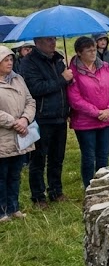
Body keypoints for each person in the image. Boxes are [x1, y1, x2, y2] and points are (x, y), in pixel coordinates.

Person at [20, 36, 72, 208]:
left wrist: (69, 80)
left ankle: (56, 191)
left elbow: (63, 86)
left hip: (60, 115)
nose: (53, 42)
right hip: (42, 117)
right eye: (48, 40)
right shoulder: (29, 63)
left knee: (57, 157)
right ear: (37, 43)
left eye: (54, 39)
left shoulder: (58, 60)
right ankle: (38, 196)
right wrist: (62, 79)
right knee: (39, 159)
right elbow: (35, 89)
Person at [67, 36, 109, 188]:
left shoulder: (105, 67)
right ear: (79, 53)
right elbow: (75, 99)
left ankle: (103, 185)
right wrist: (97, 112)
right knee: (89, 157)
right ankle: (89, 186)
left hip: (106, 119)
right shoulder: (73, 72)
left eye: (94, 49)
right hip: (85, 122)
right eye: (88, 51)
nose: (93, 53)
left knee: (103, 155)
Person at [0, 45, 35, 222]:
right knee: (1, 175)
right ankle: (2, 211)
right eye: (5, 60)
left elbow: (30, 101)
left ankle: (14, 208)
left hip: (20, 135)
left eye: (11, 59)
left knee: (15, 174)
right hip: (3, 137)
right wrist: (14, 122)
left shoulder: (18, 78)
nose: (10, 62)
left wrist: (25, 119)